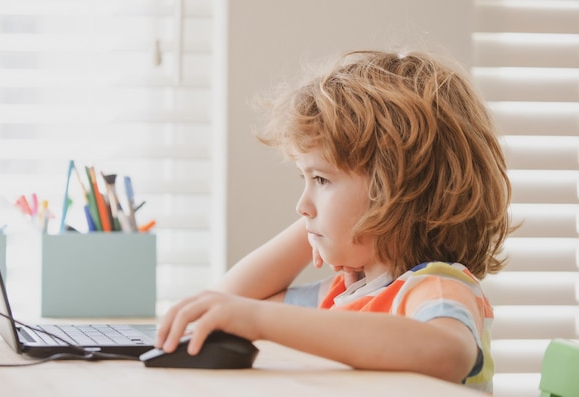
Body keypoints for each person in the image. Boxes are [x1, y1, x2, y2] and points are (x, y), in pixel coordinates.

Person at [155, 49, 511, 393]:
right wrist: (313, 227)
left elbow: (448, 353)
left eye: (321, 180)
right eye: (304, 180)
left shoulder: (437, 286)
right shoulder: (348, 292)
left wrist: (259, 320)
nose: (301, 205)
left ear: (395, 189)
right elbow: (224, 303)